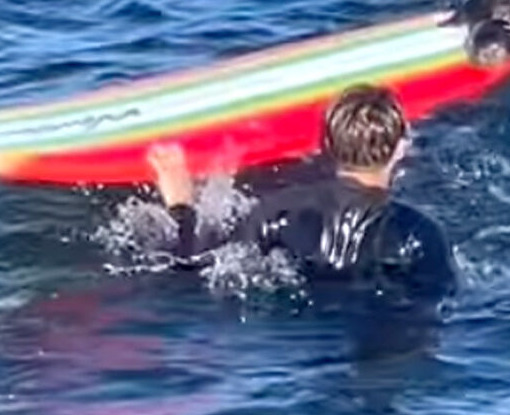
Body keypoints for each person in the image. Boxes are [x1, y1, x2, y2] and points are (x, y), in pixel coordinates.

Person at [148, 84, 456, 306]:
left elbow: (190, 271)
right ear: (401, 147)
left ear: (324, 145)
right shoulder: (420, 233)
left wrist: (181, 205)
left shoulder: (275, 211)